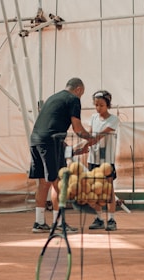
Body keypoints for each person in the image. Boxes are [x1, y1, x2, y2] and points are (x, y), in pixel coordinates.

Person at [29, 77, 95, 233]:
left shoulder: (53, 98)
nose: (80, 97)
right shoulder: (73, 99)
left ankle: (39, 222)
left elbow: (50, 125)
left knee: (44, 182)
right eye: (81, 94)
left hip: (35, 139)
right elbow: (77, 129)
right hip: (51, 141)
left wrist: (72, 149)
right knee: (59, 182)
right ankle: (59, 223)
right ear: (78, 89)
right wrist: (91, 138)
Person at [86, 90, 120, 231]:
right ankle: (99, 218)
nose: (98, 108)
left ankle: (111, 219)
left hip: (106, 160)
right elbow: (89, 134)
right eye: (96, 105)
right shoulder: (93, 118)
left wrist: (87, 142)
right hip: (92, 159)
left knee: (109, 190)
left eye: (101, 105)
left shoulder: (113, 119)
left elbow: (100, 135)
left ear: (108, 105)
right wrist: (85, 144)